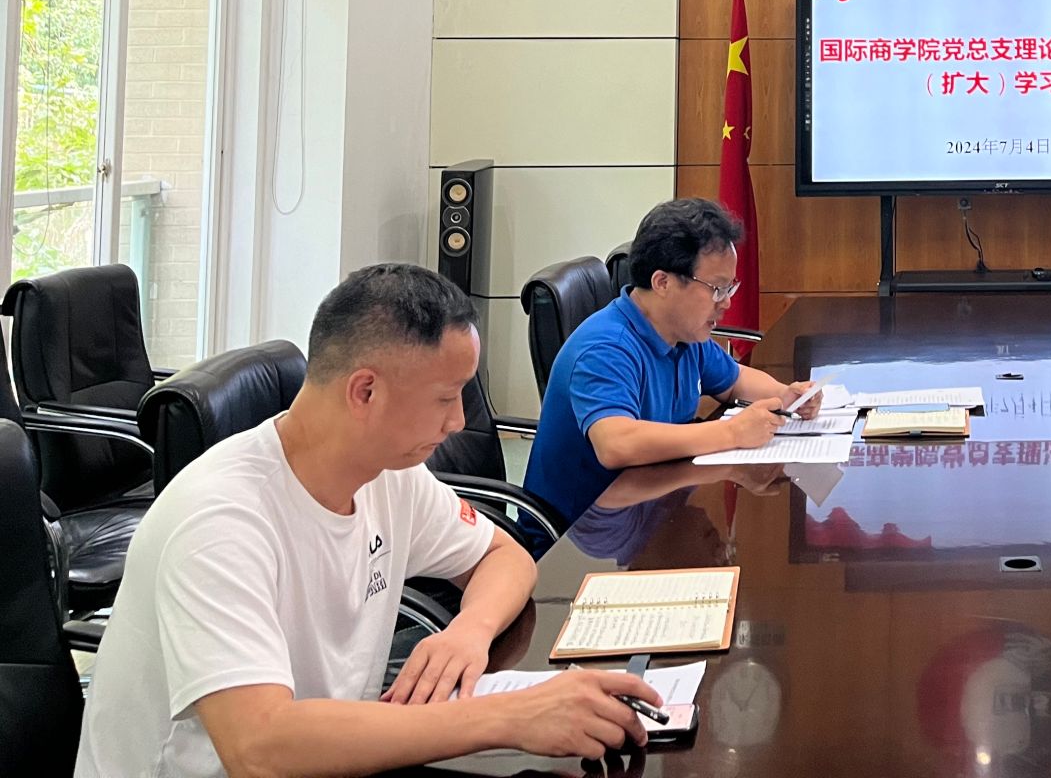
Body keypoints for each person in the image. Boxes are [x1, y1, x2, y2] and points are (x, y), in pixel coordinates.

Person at [74, 264, 662, 778]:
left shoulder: (388, 472)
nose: (459, 422)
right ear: (365, 392)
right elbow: (258, 747)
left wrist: (468, 631)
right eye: (446, 397)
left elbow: (502, 555)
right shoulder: (220, 519)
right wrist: (507, 717)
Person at [523, 197, 818, 524]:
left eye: (729, 289)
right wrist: (732, 432)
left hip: (648, 506)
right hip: (579, 533)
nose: (726, 304)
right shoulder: (606, 347)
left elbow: (734, 380)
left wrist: (786, 396)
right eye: (717, 289)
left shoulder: (683, 332)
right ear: (662, 282)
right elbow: (616, 444)